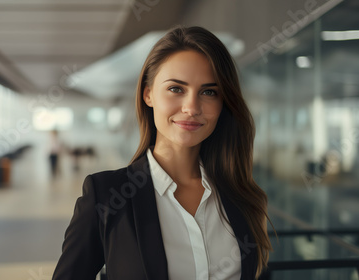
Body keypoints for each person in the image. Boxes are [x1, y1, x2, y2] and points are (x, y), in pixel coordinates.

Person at [52, 26, 272, 280]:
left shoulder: (242, 196)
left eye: (209, 92)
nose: (191, 107)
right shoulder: (106, 196)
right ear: (148, 94)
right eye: (176, 89)